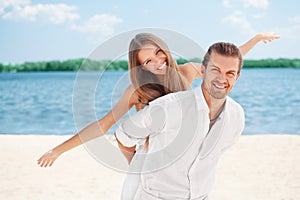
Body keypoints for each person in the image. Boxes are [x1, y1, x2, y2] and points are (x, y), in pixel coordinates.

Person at [37, 32, 279, 168]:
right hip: (153, 161)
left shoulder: (187, 71)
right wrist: (58, 150)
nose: (157, 62)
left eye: (157, 53)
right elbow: (105, 124)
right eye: (147, 62)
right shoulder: (137, 90)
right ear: (141, 66)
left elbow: (222, 65)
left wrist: (256, 39)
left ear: (164, 48)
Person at [115, 41, 245, 199]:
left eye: (230, 73)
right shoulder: (168, 107)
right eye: (215, 70)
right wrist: (139, 159)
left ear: (237, 76)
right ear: (203, 70)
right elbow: (123, 134)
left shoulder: (236, 116)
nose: (221, 78)